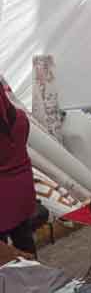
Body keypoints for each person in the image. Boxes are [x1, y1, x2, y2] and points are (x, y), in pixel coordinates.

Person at [0, 83, 37, 255]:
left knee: (4, 255)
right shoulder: (21, 118)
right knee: (25, 240)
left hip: (3, 198)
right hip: (22, 192)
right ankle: (35, 275)